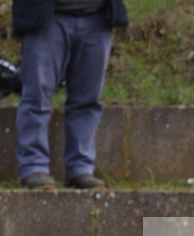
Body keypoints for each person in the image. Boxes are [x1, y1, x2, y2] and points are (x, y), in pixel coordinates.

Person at [11, 0, 128, 190]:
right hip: (46, 17)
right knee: (37, 97)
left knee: (88, 100)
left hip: (97, 17)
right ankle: (34, 167)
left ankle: (81, 168)